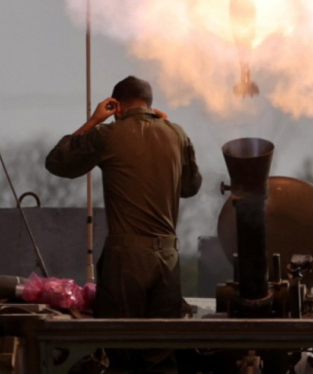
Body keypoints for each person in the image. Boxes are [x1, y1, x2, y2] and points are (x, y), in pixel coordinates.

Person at [45, 76, 201, 345]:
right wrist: (168, 130)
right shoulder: (177, 134)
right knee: (161, 350)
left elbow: (58, 162)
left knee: (120, 347)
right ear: (150, 104)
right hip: (168, 259)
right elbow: (190, 186)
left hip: (126, 261)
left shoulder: (107, 135)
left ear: (116, 106)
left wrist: (94, 121)